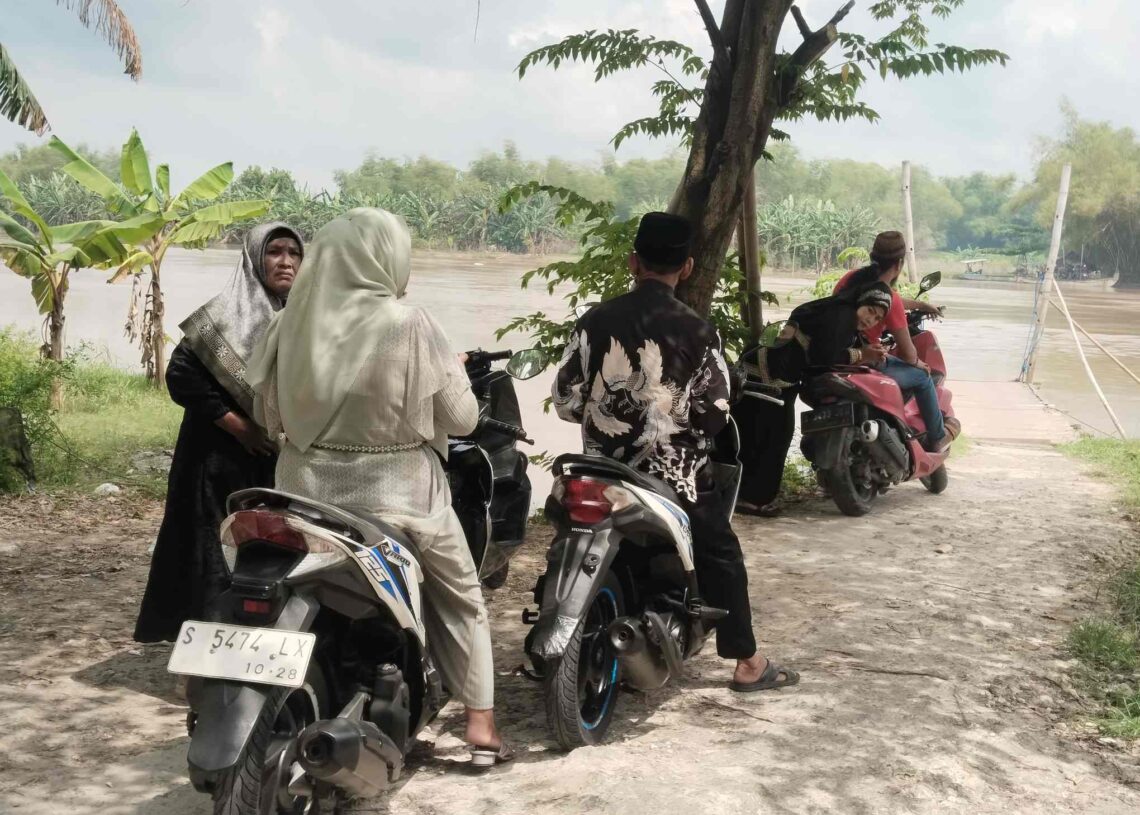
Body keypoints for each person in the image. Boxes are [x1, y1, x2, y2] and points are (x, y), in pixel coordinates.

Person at [245, 208, 510, 766]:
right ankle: (481, 722)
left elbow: (268, 414)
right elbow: (461, 420)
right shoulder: (409, 323)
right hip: (401, 498)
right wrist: (448, 375)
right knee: (462, 598)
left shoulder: (288, 321)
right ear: (387, 259)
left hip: (301, 494)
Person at [552, 211, 798, 693]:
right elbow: (717, 412)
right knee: (720, 552)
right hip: (675, 477)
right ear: (686, 268)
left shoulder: (594, 320)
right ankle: (748, 663)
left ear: (632, 262)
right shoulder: (699, 331)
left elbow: (564, 400)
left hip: (602, 471)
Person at [134, 222, 304, 643]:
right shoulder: (223, 314)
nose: (285, 261)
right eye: (274, 251)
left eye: (293, 253)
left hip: (269, 458)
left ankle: (253, 632)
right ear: (253, 257)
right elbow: (181, 376)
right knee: (210, 543)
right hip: (213, 458)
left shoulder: (301, 317)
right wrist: (239, 426)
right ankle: (204, 638)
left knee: (264, 543)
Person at [734, 283, 893, 515]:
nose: (871, 320)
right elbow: (823, 357)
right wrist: (863, 355)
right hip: (770, 377)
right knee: (773, 436)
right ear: (859, 302)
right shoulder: (842, 317)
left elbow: (822, 344)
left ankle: (738, 493)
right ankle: (753, 499)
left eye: (877, 317)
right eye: (870, 310)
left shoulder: (833, 310)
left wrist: (863, 349)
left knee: (751, 434)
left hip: (759, 369)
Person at [834, 231, 960, 450]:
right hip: (864, 358)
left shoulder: (850, 280)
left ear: (873, 257)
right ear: (899, 264)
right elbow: (910, 355)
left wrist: (921, 306)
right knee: (922, 377)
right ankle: (938, 437)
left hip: (835, 352)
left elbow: (888, 299)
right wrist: (920, 363)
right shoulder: (889, 299)